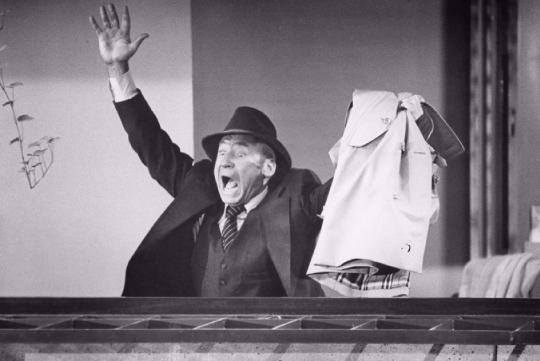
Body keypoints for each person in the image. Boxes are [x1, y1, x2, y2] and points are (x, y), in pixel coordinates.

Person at [89, 4, 331, 297]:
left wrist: (384, 129)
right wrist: (118, 69)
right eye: (221, 152)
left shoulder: (296, 197)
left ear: (268, 167)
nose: (225, 161)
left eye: (239, 154)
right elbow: (151, 144)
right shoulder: (201, 186)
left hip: (269, 341)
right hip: (195, 338)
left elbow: (348, 185)